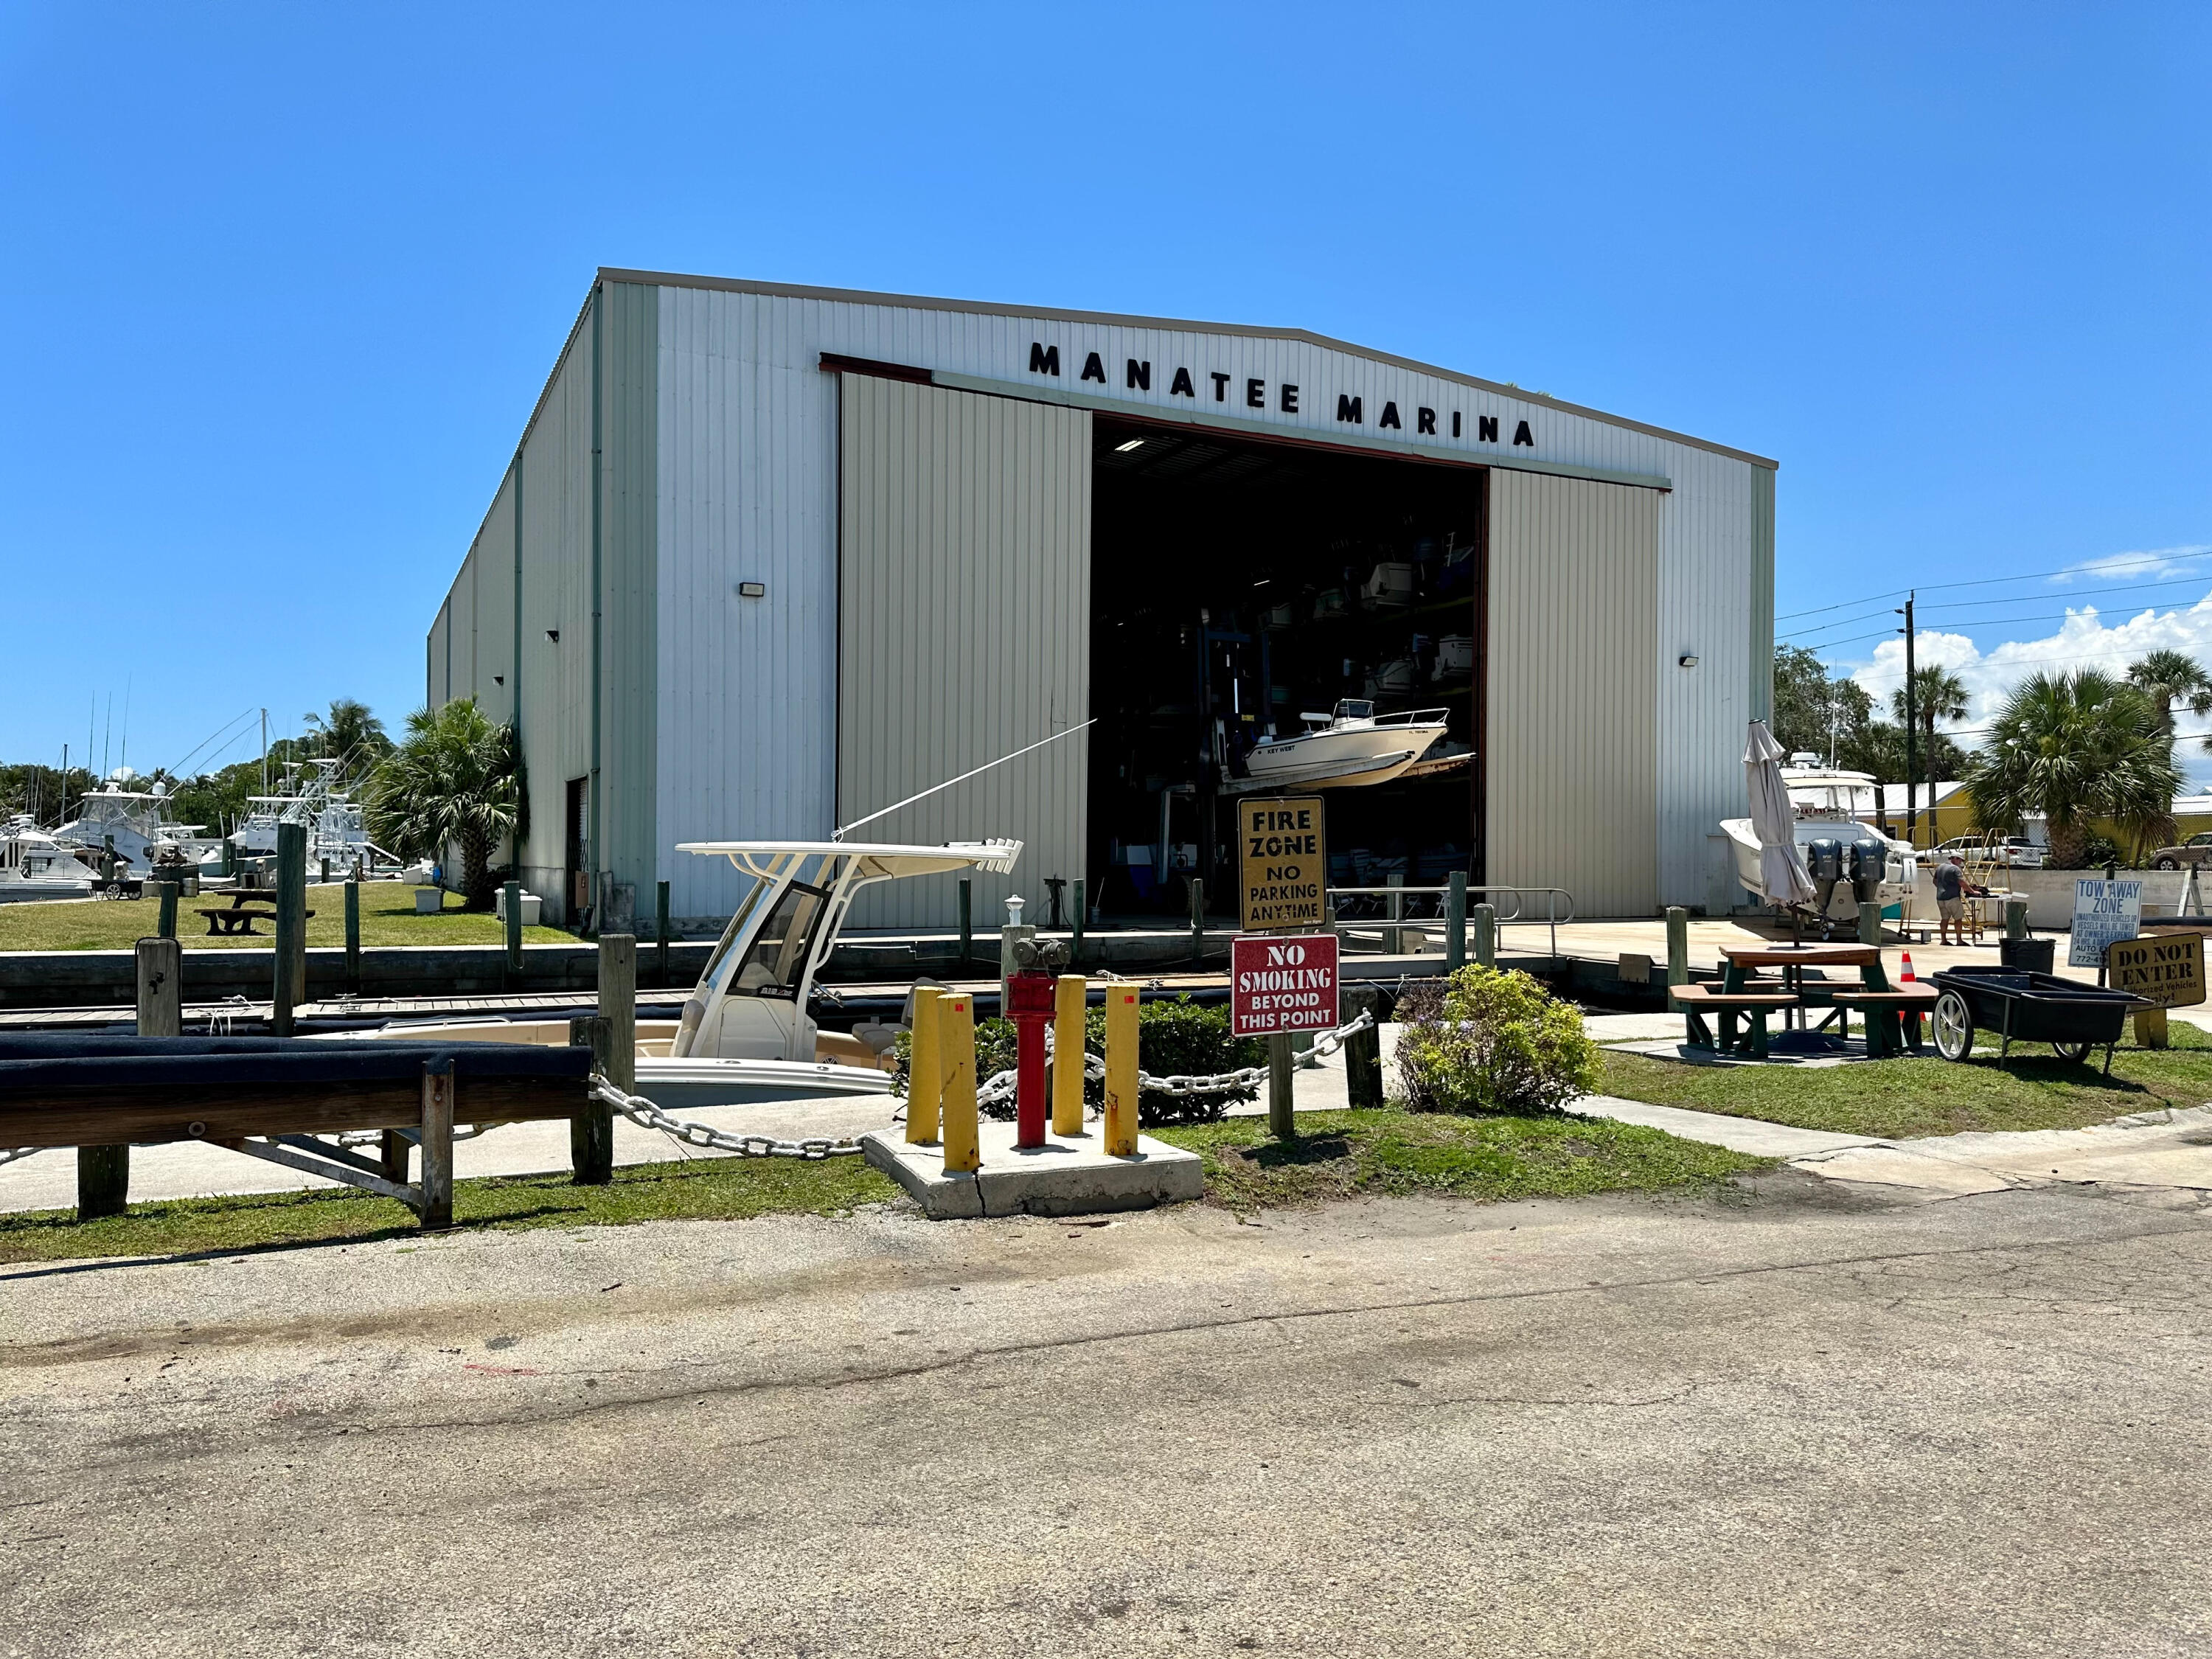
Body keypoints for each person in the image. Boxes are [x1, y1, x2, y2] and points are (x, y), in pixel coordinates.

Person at [1933, 853, 1988, 946]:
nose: (1960, 862)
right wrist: (1972, 891)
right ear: (1954, 859)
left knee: (1944, 919)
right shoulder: (1955, 869)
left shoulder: (1940, 867)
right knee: (1958, 919)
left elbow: (1934, 881)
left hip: (1940, 898)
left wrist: (1943, 888)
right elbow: (1961, 882)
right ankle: (1959, 940)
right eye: (1959, 860)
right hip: (1953, 898)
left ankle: (1943, 940)